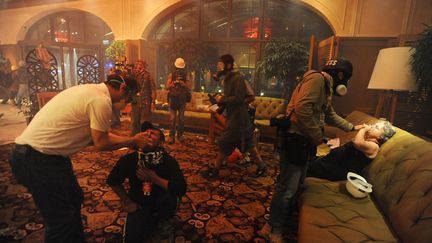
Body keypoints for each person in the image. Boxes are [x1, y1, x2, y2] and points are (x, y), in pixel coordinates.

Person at [10, 74, 153, 243]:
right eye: (129, 99)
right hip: (36, 159)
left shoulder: (91, 91)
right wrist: (132, 140)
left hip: (48, 157)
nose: (127, 104)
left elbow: (96, 136)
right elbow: (101, 142)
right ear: (122, 89)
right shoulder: (101, 100)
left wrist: (131, 141)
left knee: (74, 198)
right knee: (60, 221)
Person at [266, 58, 358, 242]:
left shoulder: (325, 86)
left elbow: (328, 113)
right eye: (345, 78)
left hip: (304, 141)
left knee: (299, 184)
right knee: (287, 188)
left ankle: (283, 220)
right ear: (340, 75)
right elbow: (302, 109)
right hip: (295, 140)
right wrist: (318, 139)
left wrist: (352, 127)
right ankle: (272, 227)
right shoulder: (317, 80)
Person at [107, 121, 186, 242]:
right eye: (144, 133)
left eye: (152, 133)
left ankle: (165, 219)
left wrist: (154, 179)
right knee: (131, 238)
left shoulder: (168, 160)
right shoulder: (130, 159)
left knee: (170, 197)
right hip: (140, 203)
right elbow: (112, 181)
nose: (147, 134)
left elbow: (181, 188)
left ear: (160, 143)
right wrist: (127, 202)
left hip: (162, 200)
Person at [201, 54, 267, 179]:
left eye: (221, 65)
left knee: (224, 142)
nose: (219, 68)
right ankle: (262, 165)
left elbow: (238, 98)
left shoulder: (237, 78)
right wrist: (218, 104)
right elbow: (230, 99)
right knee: (249, 143)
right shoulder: (228, 78)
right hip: (238, 117)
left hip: (238, 119)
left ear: (229, 65)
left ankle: (216, 169)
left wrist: (222, 98)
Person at [308, 120, 396, 181]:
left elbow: (357, 142)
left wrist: (363, 129)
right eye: (373, 125)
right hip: (330, 163)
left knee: (302, 166)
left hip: (337, 171)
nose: (372, 127)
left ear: (381, 136)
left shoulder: (374, 146)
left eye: (376, 127)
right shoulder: (367, 141)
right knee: (304, 159)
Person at [165, 57, 191, 144]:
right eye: (178, 68)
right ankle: (171, 136)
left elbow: (190, 87)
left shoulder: (186, 75)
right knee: (172, 118)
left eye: (180, 69)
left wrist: (183, 84)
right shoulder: (171, 75)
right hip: (172, 99)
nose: (179, 70)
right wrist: (173, 84)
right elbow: (167, 87)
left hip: (182, 100)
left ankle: (180, 135)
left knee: (181, 119)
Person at [130, 60, 156, 135]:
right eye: (136, 65)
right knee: (134, 122)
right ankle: (134, 138)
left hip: (145, 102)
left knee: (144, 122)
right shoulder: (133, 76)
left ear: (144, 67)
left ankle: (145, 138)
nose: (137, 67)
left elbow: (153, 89)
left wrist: (153, 102)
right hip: (135, 101)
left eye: (140, 65)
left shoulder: (148, 76)